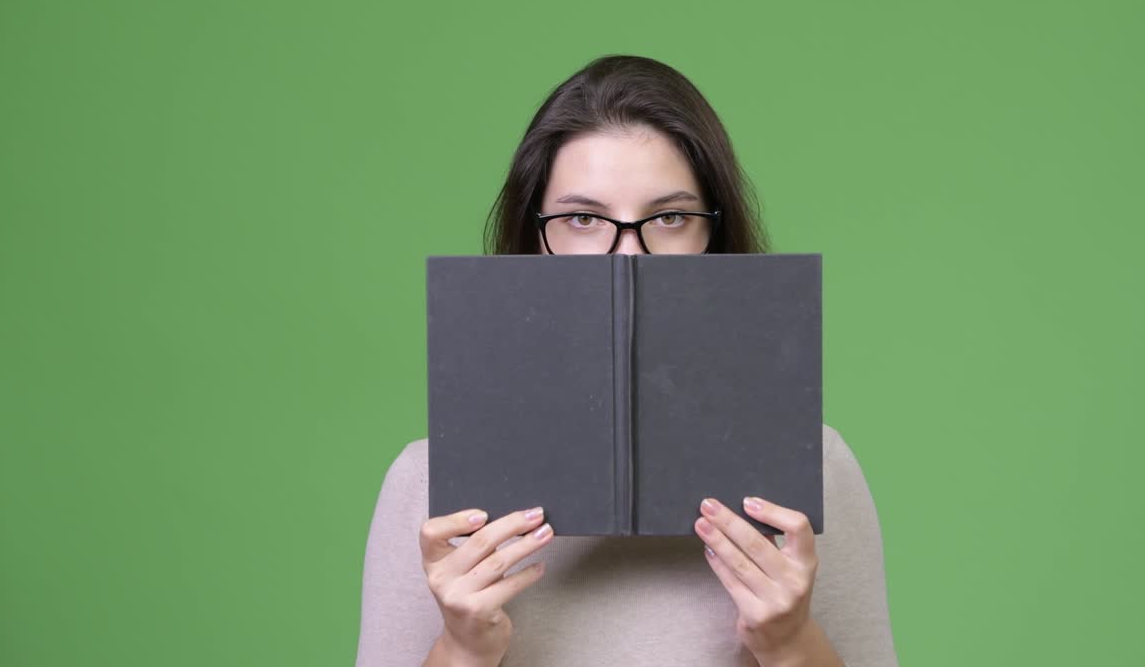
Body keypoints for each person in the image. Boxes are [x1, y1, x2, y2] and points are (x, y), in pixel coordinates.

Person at [355, 55, 898, 666]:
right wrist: (461, 648)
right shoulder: (428, 488)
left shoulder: (812, 474)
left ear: (714, 239)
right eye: (582, 219)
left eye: (669, 217)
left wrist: (791, 642)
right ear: (532, 237)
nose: (627, 258)